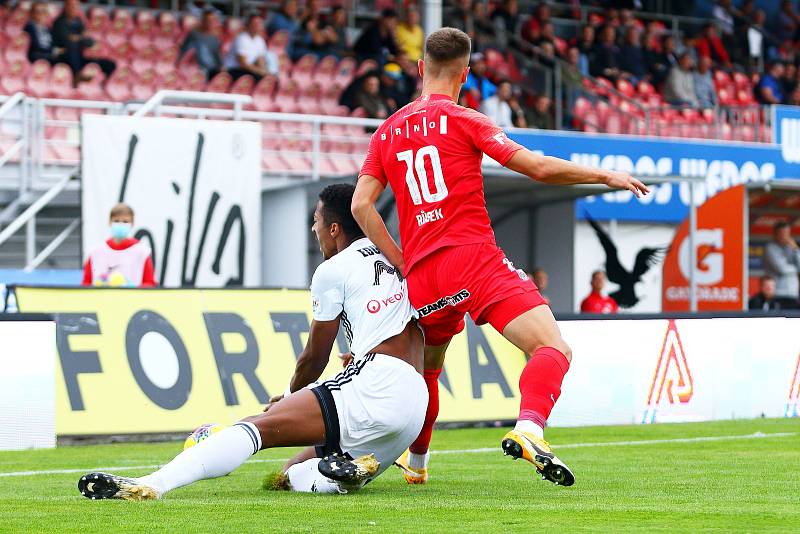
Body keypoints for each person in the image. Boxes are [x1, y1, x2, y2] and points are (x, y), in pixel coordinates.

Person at [352, 27, 647, 487]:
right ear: (465, 74)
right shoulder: (466, 119)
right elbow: (538, 167)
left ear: (419, 68)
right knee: (552, 346)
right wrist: (605, 175)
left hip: (424, 278)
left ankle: (419, 464)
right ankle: (530, 428)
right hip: (473, 259)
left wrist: (400, 259)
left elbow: (359, 206)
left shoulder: (387, 130)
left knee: (430, 369)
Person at [77, 184, 427, 500]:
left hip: (378, 383)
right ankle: (342, 477)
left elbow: (313, 358)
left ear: (334, 228)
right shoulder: (391, 255)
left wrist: (290, 398)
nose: (313, 229)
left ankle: (152, 483)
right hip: (413, 405)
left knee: (258, 427)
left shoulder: (333, 269)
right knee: (290, 473)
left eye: (316, 220)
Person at [81, 203, 157, 288]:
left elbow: (149, 284)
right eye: (116, 221)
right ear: (109, 222)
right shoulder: (95, 252)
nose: (121, 224)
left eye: (125, 221)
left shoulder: (142, 252)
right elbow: (86, 284)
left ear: (132, 223)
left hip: (131, 300)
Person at [51, 0, 115, 79]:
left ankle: (104, 85)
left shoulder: (78, 21)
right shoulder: (59, 22)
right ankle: (76, 76)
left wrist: (78, 38)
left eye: (76, 6)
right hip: (63, 57)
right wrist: (81, 38)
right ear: (65, 7)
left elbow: (90, 42)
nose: (73, 8)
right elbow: (67, 41)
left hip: (79, 58)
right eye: (71, 6)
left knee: (110, 64)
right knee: (72, 46)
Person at [224, 15, 277, 81]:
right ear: (248, 25)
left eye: (259, 23)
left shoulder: (260, 40)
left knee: (271, 78)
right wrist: (260, 72)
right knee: (257, 78)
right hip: (234, 70)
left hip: (248, 70)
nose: (258, 26)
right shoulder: (241, 38)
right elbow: (243, 63)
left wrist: (265, 72)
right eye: (255, 23)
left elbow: (260, 60)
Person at [763, 221, 800, 309]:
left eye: (787, 233)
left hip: (793, 293)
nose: (785, 236)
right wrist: (796, 269)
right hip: (777, 293)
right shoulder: (770, 248)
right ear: (775, 234)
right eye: (782, 233)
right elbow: (782, 269)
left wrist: (796, 249)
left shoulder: (791, 248)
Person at [179, 9, 222, 80]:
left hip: (212, 70)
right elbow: (184, 51)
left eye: (212, 20)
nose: (210, 23)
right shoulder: (193, 34)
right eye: (208, 20)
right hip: (197, 69)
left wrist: (221, 67)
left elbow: (216, 55)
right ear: (202, 21)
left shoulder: (215, 38)